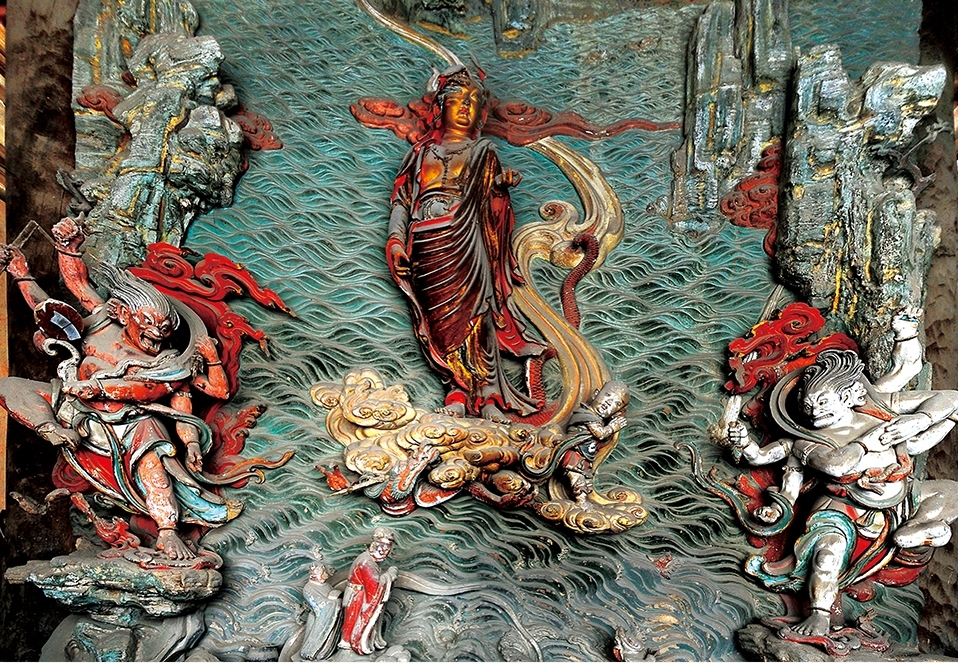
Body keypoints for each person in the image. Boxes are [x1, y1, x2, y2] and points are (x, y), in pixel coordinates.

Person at [0, 217, 236, 560]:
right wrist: (49, 257)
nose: (158, 333)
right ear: (125, 314)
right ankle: (50, 428)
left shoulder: (169, 362)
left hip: (132, 423)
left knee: (153, 456)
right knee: (10, 387)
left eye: (165, 328)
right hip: (75, 409)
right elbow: (65, 293)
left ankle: (168, 532)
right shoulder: (100, 324)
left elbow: (201, 398)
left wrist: (190, 442)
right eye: (149, 323)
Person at [726, 348, 958, 637]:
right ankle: (819, 615)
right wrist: (745, 445)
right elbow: (832, 465)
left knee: (950, 493)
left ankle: (914, 531)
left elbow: (951, 398)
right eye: (807, 405)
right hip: (841, 510)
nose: (815, 411)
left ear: (849, 396)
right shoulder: (805, 442)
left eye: (823, 402)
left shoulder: (878, 410)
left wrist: (920, 419)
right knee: (827, 555)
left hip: (900, 499)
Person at [387, 65, 546, 422]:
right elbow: (402, 202)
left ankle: (489, 395)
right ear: (440, 106)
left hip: (468, 238)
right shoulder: (420, 154)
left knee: (476, 313)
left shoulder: (483, 151)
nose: (465, 107)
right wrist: (396, 242)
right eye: (458, 100)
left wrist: (499, 189)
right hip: (425, 241)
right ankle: (456, 389)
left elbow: (490, 206)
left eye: (473, 102)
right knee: (438, 322)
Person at [559, 381, 630, 501]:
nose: (609, 402)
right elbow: (600, 434)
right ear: (595, 394)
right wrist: (612, 427)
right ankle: (581, 501)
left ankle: (584, 500)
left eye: (617, 403)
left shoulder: (598, 420)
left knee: (586, 481)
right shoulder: (585, 415)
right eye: (607, 395)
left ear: (617, 413)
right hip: (574, 454)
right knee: (577, 479)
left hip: (585, 457)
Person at [338, 527, 399, 655]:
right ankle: (349, 646)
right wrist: (390, 575)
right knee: (352, 621)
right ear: (374, 545)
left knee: (351, 620)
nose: (384, 551)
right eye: (382, 547)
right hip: (357, 596)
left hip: (358, 594)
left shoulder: (369, 559)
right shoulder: (366, 562)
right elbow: (375, 586)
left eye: (387, 548)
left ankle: (348, 645)